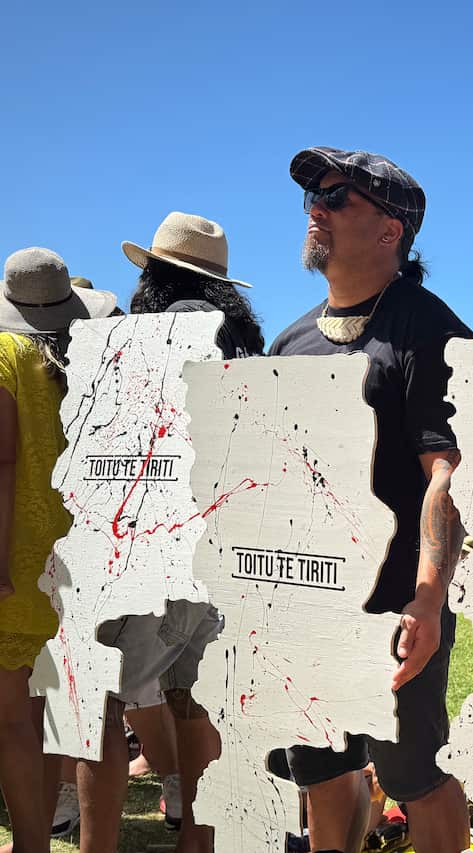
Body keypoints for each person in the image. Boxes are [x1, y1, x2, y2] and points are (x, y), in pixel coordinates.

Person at [271, 147, 473, 853]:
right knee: (322, 770)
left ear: (391, 230)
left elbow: (446, 471)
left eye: (337, 196)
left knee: (414, 774)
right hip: (307, 599)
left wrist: (426, 596)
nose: (316, 209)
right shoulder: (290, 341)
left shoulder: (428, 328)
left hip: (395, 599)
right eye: (312, 197)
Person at [74, 212, 263, 853]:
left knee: (99, 701)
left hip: (146, 544)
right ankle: (199, 842)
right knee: (195, 699)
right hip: (217, 544)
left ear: (153, 272)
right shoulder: (242, 340)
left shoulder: (145, 334)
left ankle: (98, 846)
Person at [0, 247, 117, 853]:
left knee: (15, 717)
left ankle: (30, 844)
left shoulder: (3, 354)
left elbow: (1, 460)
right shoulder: (98, 360)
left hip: (18, 551)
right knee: (61, 713)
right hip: (85, 554)